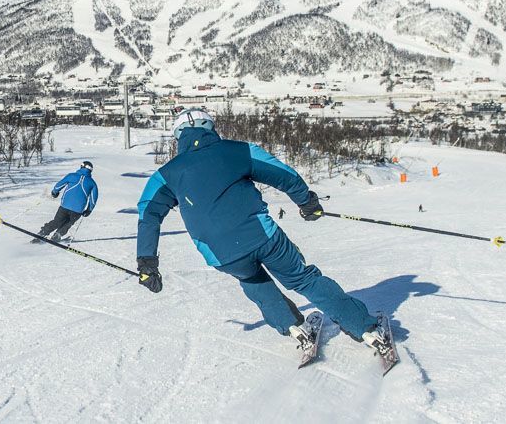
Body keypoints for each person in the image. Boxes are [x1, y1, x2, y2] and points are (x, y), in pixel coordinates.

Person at [135, 108, 383, 350]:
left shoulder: (164, 175)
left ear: (178, 137)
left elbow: (148, 213)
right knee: (303, 279)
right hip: (263, 237)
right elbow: (281, 174)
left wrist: (147, 262)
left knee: (253, 281)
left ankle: (294, 327)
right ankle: (365, 328)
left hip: (221, 254)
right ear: (211, 128)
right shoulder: (238, 151)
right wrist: (306, 202)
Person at [33, 161, 98, 243]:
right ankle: (57, 235)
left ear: (81, 167)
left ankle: (42, 234)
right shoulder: (92, 183)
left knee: (56, 222)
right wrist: (89, 210)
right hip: (78, 210)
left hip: (65, 206)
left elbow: (58, 186)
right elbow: (93, 199)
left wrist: (54, 192)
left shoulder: (72, 176)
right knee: (68, 224)